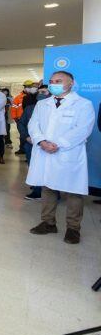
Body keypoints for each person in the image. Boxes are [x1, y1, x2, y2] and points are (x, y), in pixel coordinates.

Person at [27, 71, 95, 244]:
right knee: (47, 187)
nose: (53, 84)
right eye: (51, 81)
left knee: (73, 192)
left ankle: (73, 228)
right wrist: (41, 141)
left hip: (68, 153)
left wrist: (58, 144)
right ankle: (48, 223)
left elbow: (83, 129)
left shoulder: (82, 104)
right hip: (45, 151)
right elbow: (33, 124)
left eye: (58, 81)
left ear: (71, 83)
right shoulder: (43, 104)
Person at [22, 83, 48, 200]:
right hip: (30, 143)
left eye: (44, 92)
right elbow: (22, 123)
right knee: (34, 166)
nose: (41, 94)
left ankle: (52, 192)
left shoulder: (56, 110)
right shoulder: (29, 108)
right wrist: (26, 137)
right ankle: (37, 189)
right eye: (39, 92)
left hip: (48, 145)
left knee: (49, 168)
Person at [11, 81, 33, 155]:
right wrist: (15, 118)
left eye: (30, 87)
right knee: (23, 134)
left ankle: (29, 151)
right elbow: (13, 108)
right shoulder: (18, 97)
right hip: (21, 119)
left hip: (31, 119)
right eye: (27, 86)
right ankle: (22, 149)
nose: (28, 88)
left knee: (31, 135)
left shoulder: (35, 97)